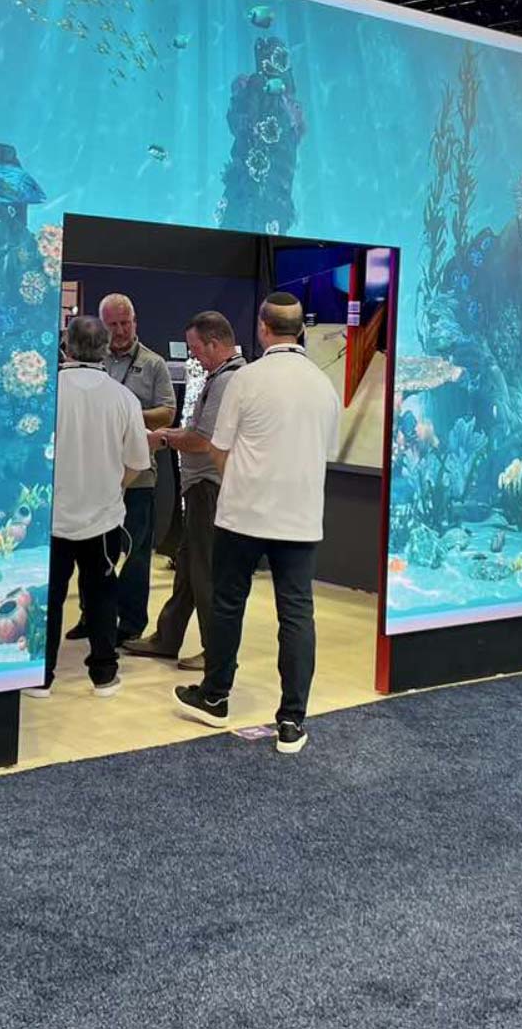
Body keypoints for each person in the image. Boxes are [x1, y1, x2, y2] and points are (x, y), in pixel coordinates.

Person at [169, 292, 339, 754]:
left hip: (242, 514)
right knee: (297, 614)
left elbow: (218, 448)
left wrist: (243, 483)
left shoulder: (246, 379)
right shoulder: (323, 386)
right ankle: (292, 721)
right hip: (300, 518)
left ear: (263, 328)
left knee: (227, 604)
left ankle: (215, 696)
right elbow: (326, 451)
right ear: (300, 329)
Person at [124, 311, 244, 670]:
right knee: (189, 568)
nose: (193, 356)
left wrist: (162, 438)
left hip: (208, 487)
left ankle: (216, 652)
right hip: (200, 488)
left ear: (214, 343)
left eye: (196, 349)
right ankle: (168, 636)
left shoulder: (227, 381)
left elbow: (202, 440)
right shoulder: (221, 377)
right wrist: (168, 436)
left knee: (205, 571)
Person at [40, 314, 151, 698]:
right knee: (102, 593)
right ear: (105, 348)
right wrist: (112, 487)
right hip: (103, 517)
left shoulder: (48, 392)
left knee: (50, 597)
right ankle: (104, 674)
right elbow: (137, 462)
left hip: (52, 516)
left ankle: (42, 676)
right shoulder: (123, 398)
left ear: (66, 346)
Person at [65, 294, 174, 645]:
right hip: (95, 476)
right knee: (92, 552)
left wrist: (124, 415)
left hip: (138, 475)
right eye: (113, 324)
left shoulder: (153, 363)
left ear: (135, 321)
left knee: (136, 552)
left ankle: (130, 623)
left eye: (125, 323)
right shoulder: (92, 361)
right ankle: (91, 616)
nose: (121, 330)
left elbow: (168, 412)